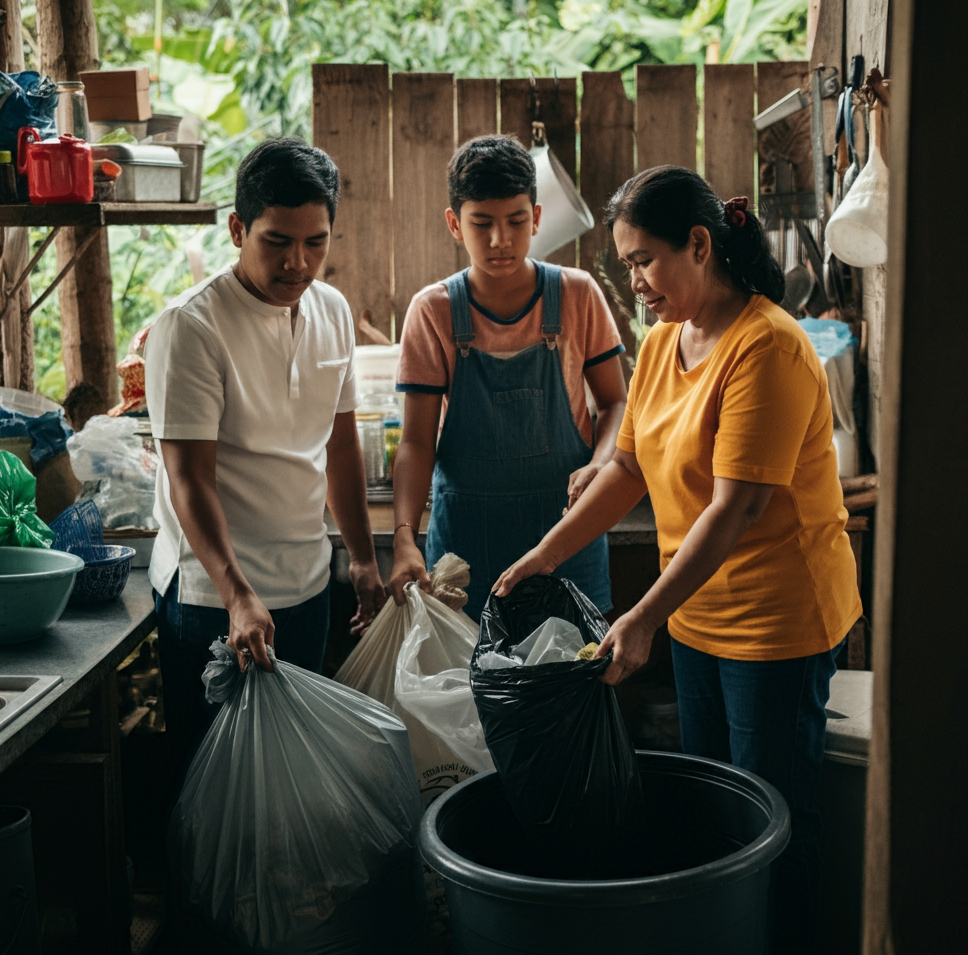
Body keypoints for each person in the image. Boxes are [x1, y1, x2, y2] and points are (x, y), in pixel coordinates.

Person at [494, 165, 862, 955]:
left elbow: (734, 510)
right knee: (714, 806)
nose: (635, 282)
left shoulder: (767, 347)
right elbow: (626, 468)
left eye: (644, 261)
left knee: (773, 818)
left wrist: (638, 616)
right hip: (696, 615)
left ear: (700, 246)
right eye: (624, 266)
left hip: (778, 620)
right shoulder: (664, 341)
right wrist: (544, 556)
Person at [145, 137, 386, 791]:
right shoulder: (191, 329)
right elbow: (189, 479)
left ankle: (283, 899)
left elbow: (338, 445)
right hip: (212, 600)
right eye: (277, 241)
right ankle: (200, 900)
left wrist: (361, 558)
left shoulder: (332, 311)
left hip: (305, 588)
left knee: (290, 783)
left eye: (316, 242)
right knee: (212, 789)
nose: (298, 262)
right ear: (236, 229)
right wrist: (238, 597)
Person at [388, 134, 628, 620]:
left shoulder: (578, 294)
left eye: (517, 221)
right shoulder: (432, 311)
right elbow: (415, 442)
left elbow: (616, 404)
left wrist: (602, 463)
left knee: (571, 681)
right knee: (470, 689)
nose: (500, 240)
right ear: (455, 224)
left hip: (568, 538)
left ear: (537, 217)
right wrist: (403, 538)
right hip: (465, 551)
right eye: (482, 224)